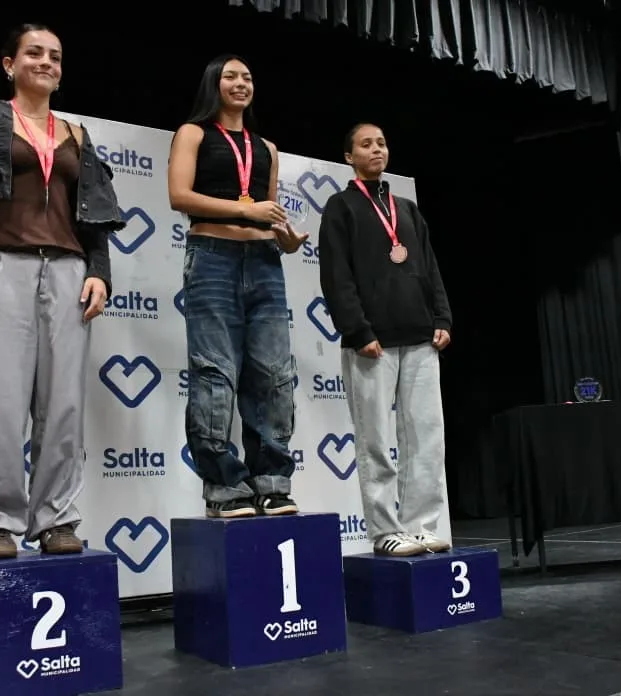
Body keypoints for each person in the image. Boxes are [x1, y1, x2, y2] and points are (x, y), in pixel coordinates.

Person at [0, 23, 126, 560]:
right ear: (9, 64)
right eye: (34, 53)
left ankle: (57, 519)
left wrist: (99, 271)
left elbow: (97, 217)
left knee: (63, 404)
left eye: (56, 56)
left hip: (67, 271)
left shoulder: (77, 136)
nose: (46, 62)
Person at [167, 54, 309, 519]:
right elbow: (179, 196)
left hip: (265, 261)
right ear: (214, 83)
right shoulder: (193, 133)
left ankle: (272, 482)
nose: (241, 82)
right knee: (214, 374)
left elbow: (269, 211)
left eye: (248, 76)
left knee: (272, 376)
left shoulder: (266, 146)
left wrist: (286, 237)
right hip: (212, 257)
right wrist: (246, 212)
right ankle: (224, 486)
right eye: (230, 75)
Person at [318, 123, 453, 556]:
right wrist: (357, 330)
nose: (376, 149)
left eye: (381, 143)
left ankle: (421, 524)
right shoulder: (341, 208)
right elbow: (337, 276)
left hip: (420, 336)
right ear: (348, 156)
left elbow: (430, 268)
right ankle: (385, 530)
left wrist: (443, 317)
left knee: (426, 436)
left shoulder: (408, 209)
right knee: (375, 438)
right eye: (365, 144)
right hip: (372, 341)